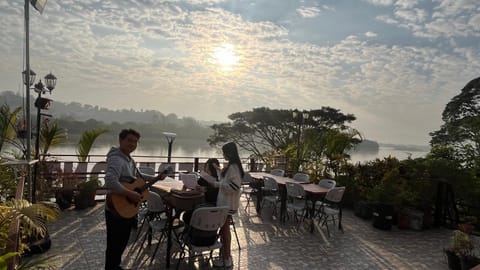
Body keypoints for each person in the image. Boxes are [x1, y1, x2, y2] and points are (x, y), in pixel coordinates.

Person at [104, 129, 166, 270]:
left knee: (121, 241)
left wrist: (156, 177)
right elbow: (110, 181)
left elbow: (136, 177)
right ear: (121, 140)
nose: (132, 144)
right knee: (114, 243)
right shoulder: (116, 158)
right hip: (116, 208)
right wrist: (130, 194)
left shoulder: (129, 159)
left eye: (135, 142)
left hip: (125, 209)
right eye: (129, 140)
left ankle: (115, 266)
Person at [201, 142, 243, 268]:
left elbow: (234, 187)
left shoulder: (233, 167)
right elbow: (226, 181)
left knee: (225, 231)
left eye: (224, 152)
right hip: (225, 204)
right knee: (224, 230)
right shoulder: (232, 166)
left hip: (227, 205)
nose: (223, 154)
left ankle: (227, 258)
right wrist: (219, 172)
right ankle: (225, 257)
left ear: (229, 152)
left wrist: (216, 184)